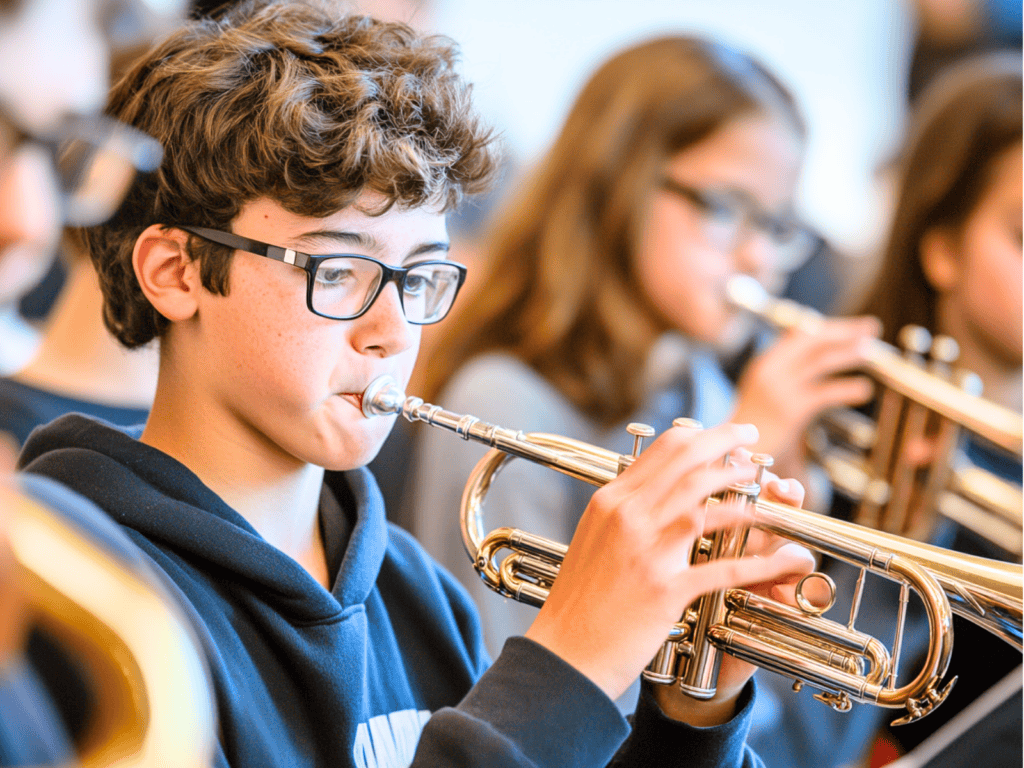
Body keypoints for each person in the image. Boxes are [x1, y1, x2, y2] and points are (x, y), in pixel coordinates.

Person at [15, 3, 822, 765]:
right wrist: (565, 669)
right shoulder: (81, 596)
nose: (395, 331)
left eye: (420, 277)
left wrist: (690, 716)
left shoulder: (416, 592)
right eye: (338, 270)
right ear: (176, 271)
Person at [401, 35, 880, 689]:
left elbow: (767, 734)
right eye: (726, 209)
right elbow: (513, 715)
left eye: (774, 225)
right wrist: (743, 458)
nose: (759, 259)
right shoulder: (504, 402)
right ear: (618, 182)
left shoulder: (701, 390)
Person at [748, 52, 1022, 768]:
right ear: (941, 249)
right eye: (1022, 236)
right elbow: (777, 738)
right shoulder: (827, 422)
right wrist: (893, 549)